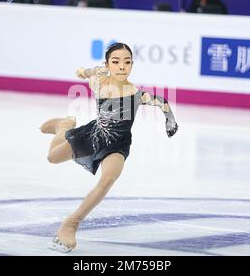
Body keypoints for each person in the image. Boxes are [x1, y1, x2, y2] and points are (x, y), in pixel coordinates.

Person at [39, 43, 179, 252]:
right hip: (94, 136)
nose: (122, 66)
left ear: (132, 65)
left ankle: (71, 224)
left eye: (127, 62)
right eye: (116, 62)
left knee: (108, 179)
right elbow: (85, 73)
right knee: (52, 157)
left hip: (118, 144)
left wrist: (170, 121)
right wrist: (85, 71)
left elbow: (162, 101)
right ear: (107, 64)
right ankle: (63, 126)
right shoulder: (100, 82)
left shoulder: (137, 94)